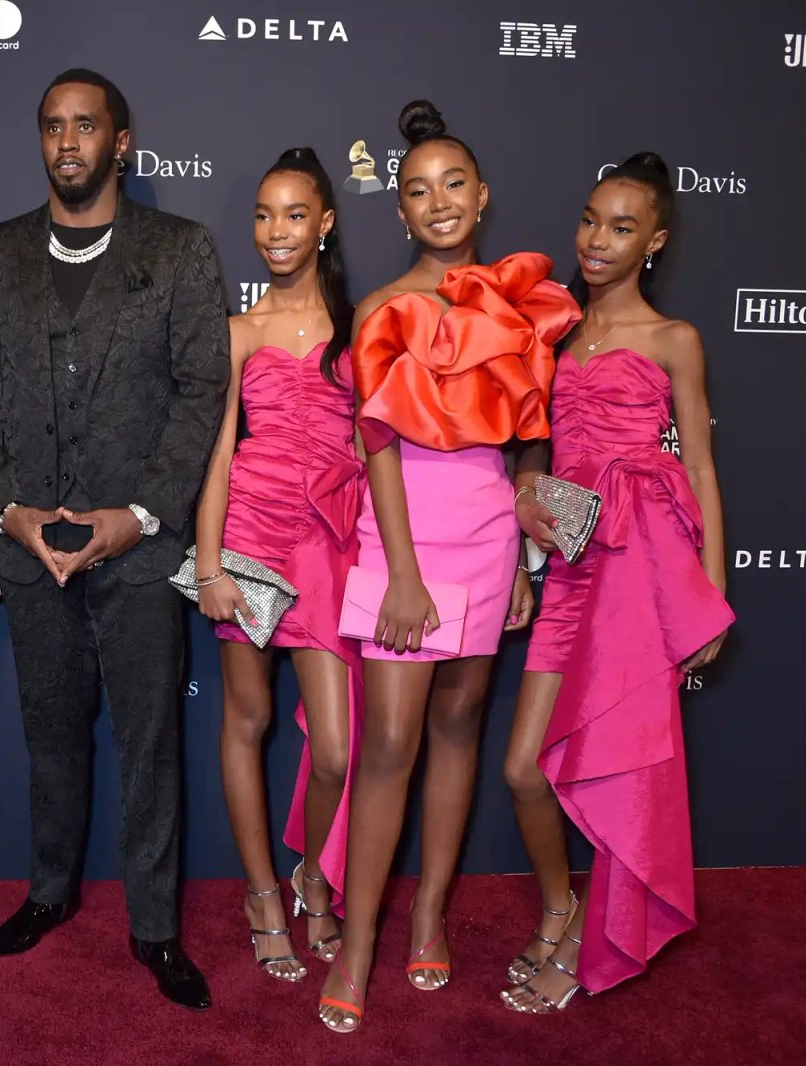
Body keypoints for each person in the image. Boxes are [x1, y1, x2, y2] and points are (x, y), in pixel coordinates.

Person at [0, 68, 229, 1010]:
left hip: (139, 552)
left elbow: (201, 393)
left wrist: (140, 516)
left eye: (86, 126)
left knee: (150, 744)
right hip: (30, 548)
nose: (67, 142)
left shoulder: (182, 251)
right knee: (51, 734)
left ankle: (154, 929)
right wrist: (9, 514)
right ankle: (50, 891)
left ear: (121, 141)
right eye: (52, 127)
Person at [317, 99, 579, 1033]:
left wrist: (522, 553)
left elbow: (532, 441)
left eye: (454, 185)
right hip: (408, 542)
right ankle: (357, 944)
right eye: (418, 191)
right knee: (389, 744)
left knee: (462, 726)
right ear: (398, 211)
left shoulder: (519, 307)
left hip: (489, 535)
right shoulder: (384, 308)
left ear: (482, 196)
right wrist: (400, 573)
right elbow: (376, 442)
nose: (439, 203)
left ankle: (429, 913)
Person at [500, 153, 733, 1013]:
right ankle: (563, 908)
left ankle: (595, 939)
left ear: (655, 241)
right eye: (591, 219)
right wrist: (526, 494)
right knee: (526, 769)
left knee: (620, 765)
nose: (597, 240)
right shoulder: (553, 331)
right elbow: (533, 447)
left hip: (641, 573)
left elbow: (702, 470)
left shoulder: (675, 339)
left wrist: (709, 594)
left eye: (622, 227)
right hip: (569, 564)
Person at [192, 148, 360, 983]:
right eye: (263, 215)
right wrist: (212, 562)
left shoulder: (361, 329)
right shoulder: (240, 331)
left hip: (330, 542)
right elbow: (218, 457)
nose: (276, 232)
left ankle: (314, 875)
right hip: (251, 535)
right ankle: (263, 893)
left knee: (335, 748)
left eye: (294, 214)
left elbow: (379, 452)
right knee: (247, 721)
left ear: (325, 222)